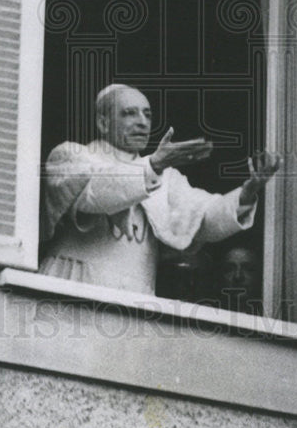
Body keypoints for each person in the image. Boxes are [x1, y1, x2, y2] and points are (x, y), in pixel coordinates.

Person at [40, 83, 280, 294]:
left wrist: (247, 192)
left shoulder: (166, 178)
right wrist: (155, 164)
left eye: (147, 114)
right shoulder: (72, 156)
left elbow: (203, 218)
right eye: (129, 114)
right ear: (103, 122)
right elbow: (97, 193)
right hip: (74, 282)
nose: (142, 122)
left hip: (138, 292)